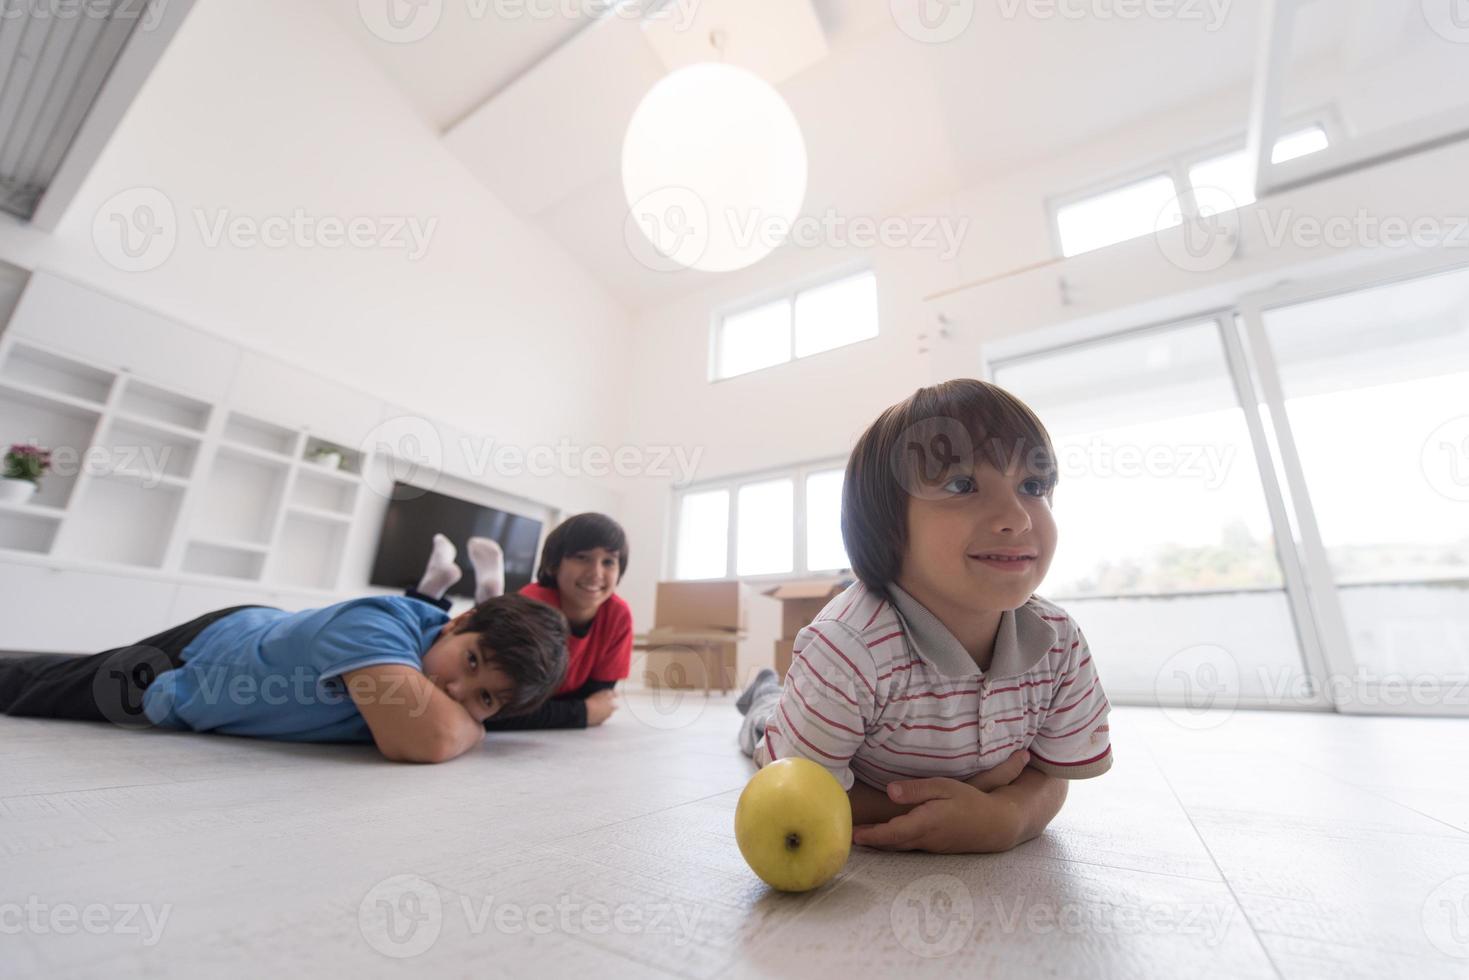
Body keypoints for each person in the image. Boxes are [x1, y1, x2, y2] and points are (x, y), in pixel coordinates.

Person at [735, 379, 1112, 854]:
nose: (1016, 517)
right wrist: (956, 806)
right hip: (813, 718)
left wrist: (1009, 817)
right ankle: (764, 693)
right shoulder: (847, 648)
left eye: (1033, 486)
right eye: (962, 484)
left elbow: (1052, 774)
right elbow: (797, 789)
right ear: (887, 526)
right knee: (764, 725)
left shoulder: (1059, 642)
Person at [0, 589, 568, 765]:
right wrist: (474, 727)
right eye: (470, 663)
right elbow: (429, 736)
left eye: (487, 698)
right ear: (459, 621)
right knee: (38, 687)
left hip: (253, 642)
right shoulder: (379, 621)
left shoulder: (427, 672)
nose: (457, 693)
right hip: (198, 657)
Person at [405, 513, 632, 731]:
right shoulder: (533, 606)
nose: (596, 572)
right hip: (431, 643)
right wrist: (582, 713)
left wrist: (575, 709)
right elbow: (496, 711)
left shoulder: (618, 616)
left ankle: (477, 593)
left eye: (609, 562)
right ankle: (443, 589)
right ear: (554, 564)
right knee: (418, 639)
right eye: (582, 557)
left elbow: (601, 699)